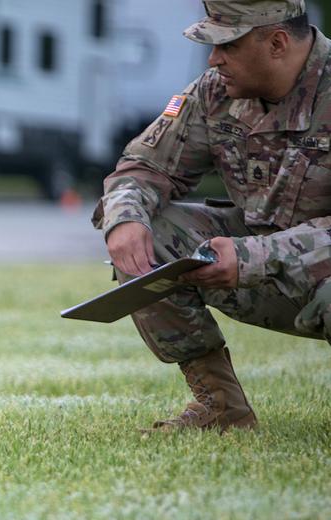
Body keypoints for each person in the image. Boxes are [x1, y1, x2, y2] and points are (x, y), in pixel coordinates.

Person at [93, 0, 331, 431]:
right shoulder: (213, 92)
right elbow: (144, 166)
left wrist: (255, 256)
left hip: (315, 277)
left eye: (228, 44)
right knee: (157, 231)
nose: (213, 58)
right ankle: (222, 408)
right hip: (262, 272)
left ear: (277, 42)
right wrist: (126, 217)